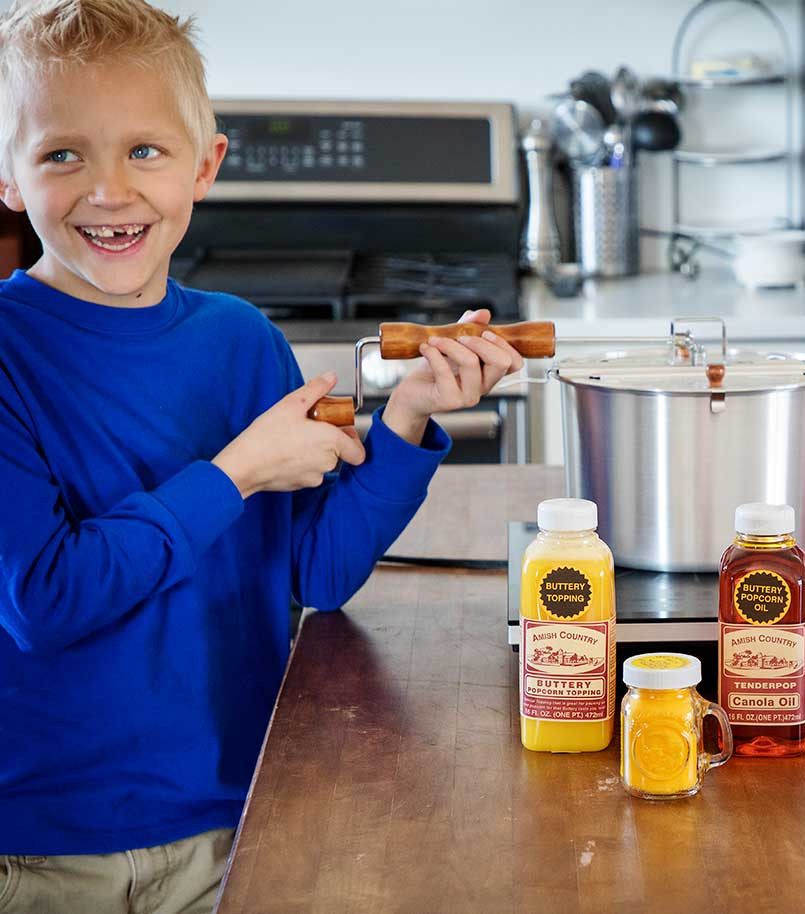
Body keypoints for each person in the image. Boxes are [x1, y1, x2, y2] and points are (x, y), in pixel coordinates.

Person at [0, 2, 524, 911]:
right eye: (61, 154)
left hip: (239, 815)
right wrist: (236, 471)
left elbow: (314, 574)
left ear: (205, 166)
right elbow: (44, 599)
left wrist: (406, 417)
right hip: (44, 848)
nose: (109, 189)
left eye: (145, 151)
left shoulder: (241, 343)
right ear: (9, 175)